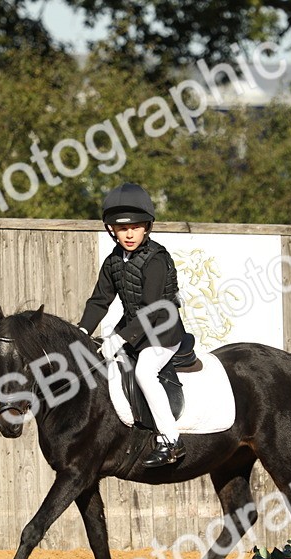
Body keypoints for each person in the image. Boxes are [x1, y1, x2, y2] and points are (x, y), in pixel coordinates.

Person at [78, 182, 187, 467]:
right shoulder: (113, 261)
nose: (128, 234)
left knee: (144, 372)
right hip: (132, 330)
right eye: (121, 228)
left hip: (163, 332)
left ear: (147, 227)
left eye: (135, 227)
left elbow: (152, 310)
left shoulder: (156, 259)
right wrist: (82, 330)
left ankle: (171, 441)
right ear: (111, 229)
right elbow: (100, 300)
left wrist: (120, 338)